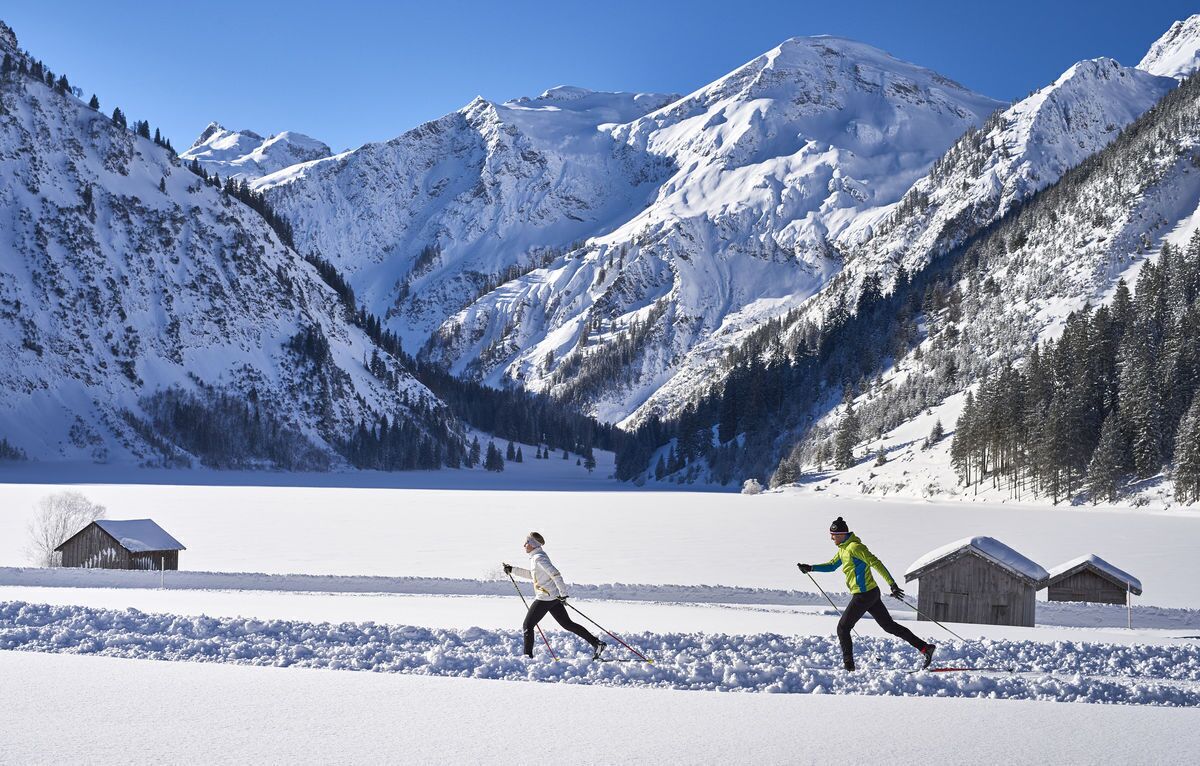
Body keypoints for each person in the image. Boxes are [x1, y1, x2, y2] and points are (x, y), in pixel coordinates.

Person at [798, 516, 934, 671]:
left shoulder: (855, 547)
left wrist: (892, 584)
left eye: (833, 535)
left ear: (842, 534)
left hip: (864, 595)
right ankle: (925, 648)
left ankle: (848, 667)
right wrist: (810, 568)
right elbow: (831, 566)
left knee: (843, 628)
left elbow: (876, 563)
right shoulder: (843, 549)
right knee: (889, 626)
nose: (831, 538)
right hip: (870, 593)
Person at [504, 532, 606, 660]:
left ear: (533, 545)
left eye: (527, 542)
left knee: (527, 625)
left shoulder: (539, 558)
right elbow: (534, 576)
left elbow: (555, 574)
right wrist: (512, 570)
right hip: (552, 597)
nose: (524, 545)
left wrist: (563, 594)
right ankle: (597, 643)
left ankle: (527, 657)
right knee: (567, 624)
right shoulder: (537, 557)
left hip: (545, 598)